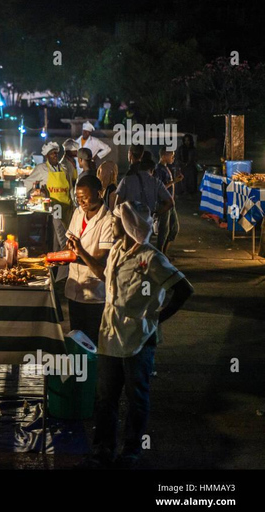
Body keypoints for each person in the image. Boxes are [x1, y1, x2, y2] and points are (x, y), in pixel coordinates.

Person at [79, 201, 193, 468]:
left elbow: (184, 289)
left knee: (136, 398)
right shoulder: (118, 249)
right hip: (109, 336)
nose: (112, 223)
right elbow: (105, 276)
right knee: (105, 398)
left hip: (137, 340)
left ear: (128, 226)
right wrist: (82, 253)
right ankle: (102, 451)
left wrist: (157, 318)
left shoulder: (151, 258)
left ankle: (130, 452)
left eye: (116, 220)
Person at [64, 175, 114, 346]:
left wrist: (79, 251)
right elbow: (70, 242)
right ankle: (79, 372)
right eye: (78, 198)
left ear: (99, 193)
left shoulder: (108, 220)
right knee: (75, 338)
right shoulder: (78, 213)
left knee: (91, 342)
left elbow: (100, 262)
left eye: (84, 197)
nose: (81, 202)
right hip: (74, 289)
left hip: (95, 294)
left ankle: (93, 372)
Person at [23, 141, 74, 251]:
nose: (55, 155)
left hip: (67, 207)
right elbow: (28, 183)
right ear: (46, 156)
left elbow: (70, 187)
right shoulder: (41, 169)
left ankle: (60, 260)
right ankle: (64, 258)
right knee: (60, 236)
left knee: (64, 235)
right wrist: (25, 194)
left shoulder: (64, 168)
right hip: (54, 207)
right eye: (52, 153)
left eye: (56, 153)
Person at [115, 146, 174, 219]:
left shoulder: (126, 180)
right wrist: (156, 214)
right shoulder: (156, 182)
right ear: (152, 170)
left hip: (130, 220)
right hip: (147, 220)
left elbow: (118, 203)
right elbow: (170, 203)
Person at [154, 149, 181, 255]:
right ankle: (160, 255)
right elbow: (160, 188)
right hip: (164, 203)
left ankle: (163, 254)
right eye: (171, 156)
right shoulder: (158, 170)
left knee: (174, 229)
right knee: (163, 231)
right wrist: (174, 181)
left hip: (170, 203)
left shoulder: (166, 168)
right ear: (164, 156)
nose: (173, 159)